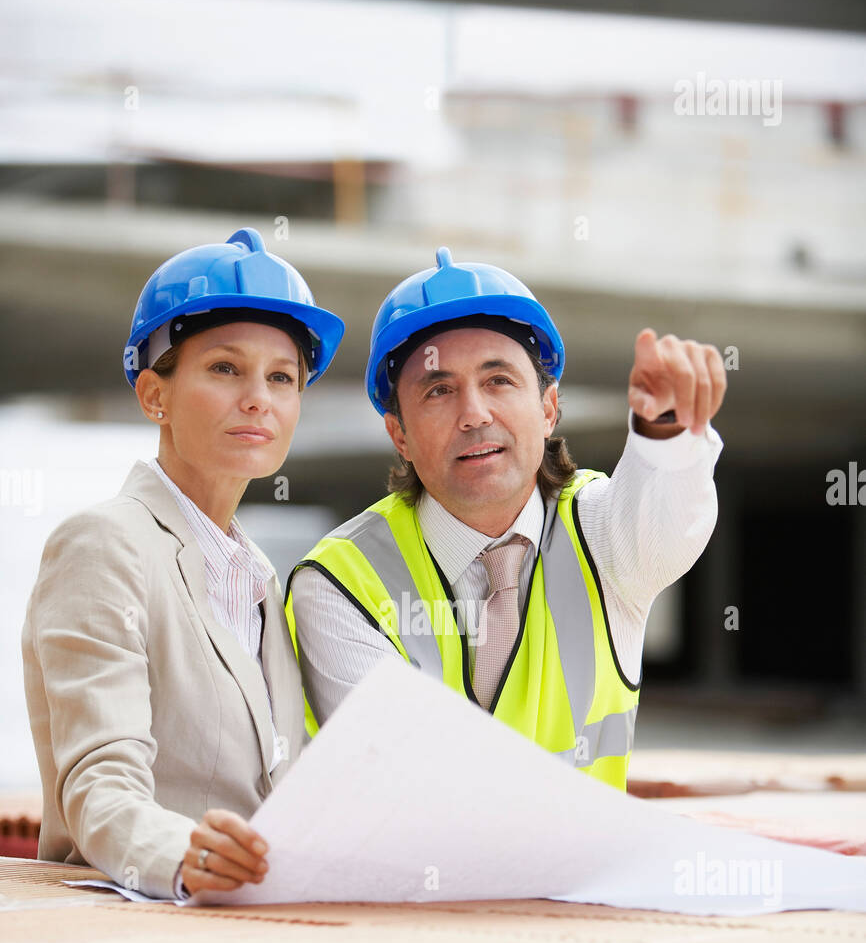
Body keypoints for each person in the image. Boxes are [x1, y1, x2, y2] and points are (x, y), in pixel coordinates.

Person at [287, 247, 725, 791]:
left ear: (548, 408)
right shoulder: (339, 583)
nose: (474, 414)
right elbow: (405, 786)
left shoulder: (600, 533)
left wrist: (666, 437)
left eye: (498, 381)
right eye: (439, 390)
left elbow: (666, 525)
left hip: (584, 874)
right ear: (399, 435)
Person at [22, 226, 344, 899]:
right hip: (145, 926)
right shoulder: (103, 544)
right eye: (225, 368)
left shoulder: (259, 576)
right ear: (154, 395)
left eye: (281, 378)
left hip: (253, 925)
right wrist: (181, 855)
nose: (258, 396)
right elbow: (100, 788)